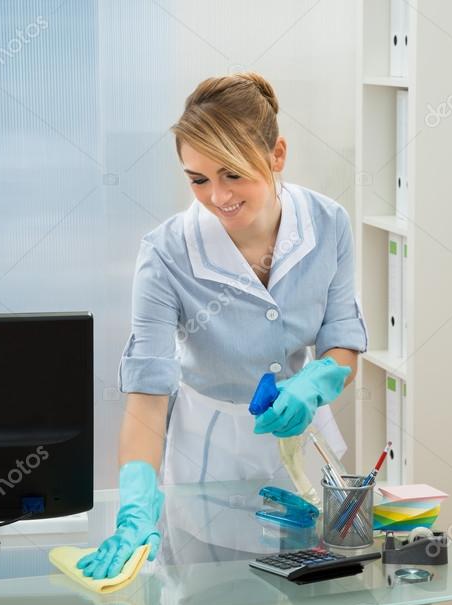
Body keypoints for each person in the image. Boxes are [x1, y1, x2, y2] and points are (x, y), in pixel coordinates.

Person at [78, 72, 368, 579]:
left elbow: (343, 339)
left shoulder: (328, 223)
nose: (217, 196)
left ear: (277, 155)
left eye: (233, 173)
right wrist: (135, 507)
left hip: (306, 455)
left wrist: (315, 382)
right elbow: (148, 393)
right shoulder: (166, 253)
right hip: (208, 466)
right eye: (198, 179)